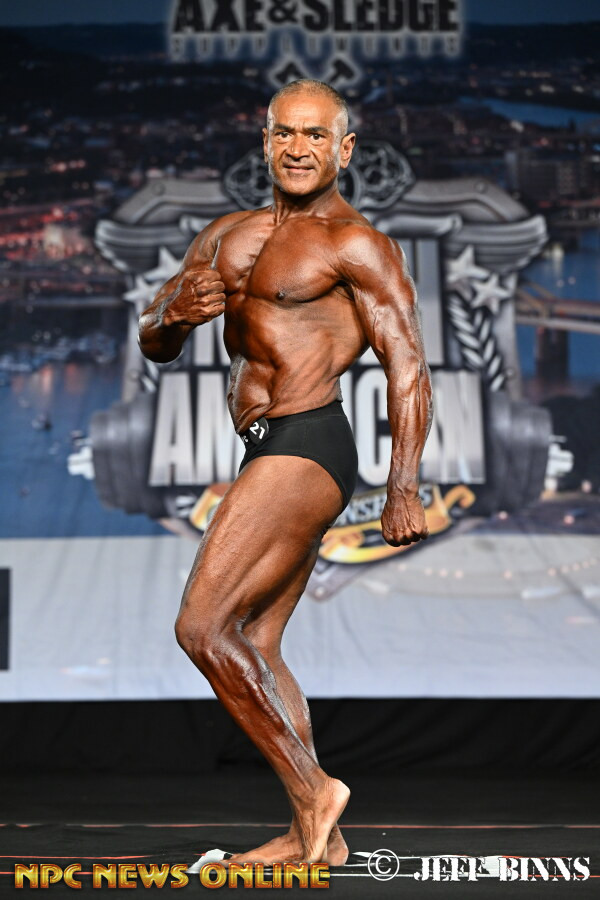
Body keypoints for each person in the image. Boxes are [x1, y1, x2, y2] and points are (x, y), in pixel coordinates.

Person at [138, 79, 433, 867]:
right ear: (266, 141)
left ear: (345, 150)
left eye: (316, 135)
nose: (298, 149)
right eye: (285, 134)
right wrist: (172, 316)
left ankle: (314, 792)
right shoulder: (224, 236)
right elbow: (154, 341)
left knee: (202, 627)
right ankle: (317, 840)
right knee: (259, 645)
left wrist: (403, 485)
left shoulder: (356, 244)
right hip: (263, 442)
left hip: (309, 441)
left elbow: (407, 365)